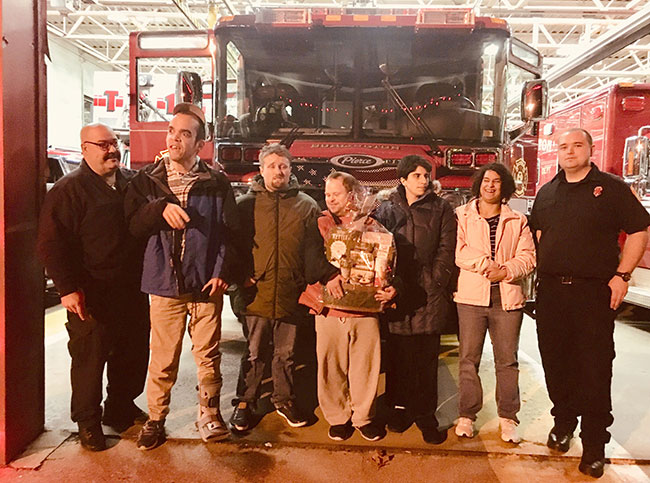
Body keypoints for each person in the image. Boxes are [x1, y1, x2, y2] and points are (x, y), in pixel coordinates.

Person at [530, 128, 650, 478]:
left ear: (590, 148)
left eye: (576, 145)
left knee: (595, 369)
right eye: (563, 147)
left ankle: (595, 444)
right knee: (556, 364)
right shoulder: (547, 191)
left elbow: (640, 231)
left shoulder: (611, 188)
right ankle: (564, 422)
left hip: (592, 294)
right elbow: (539, 234)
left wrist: (622, 275)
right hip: (551, 293)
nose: (569, 151)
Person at [124, 103, 239, 450]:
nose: (174, 138)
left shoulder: (216, 183)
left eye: (184, 134)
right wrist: (158, 208)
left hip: (205, 285)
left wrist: (222, 273)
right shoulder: (147, 181)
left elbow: (230, 234)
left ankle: (209, 414)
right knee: (163, 357)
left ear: (199, 144)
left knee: (208, 355)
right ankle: (156, 419)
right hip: (164, 285)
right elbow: (132, 226)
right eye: (172, 131)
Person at [37, 123, 150, 451]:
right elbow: (51, 243)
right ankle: (88, 421)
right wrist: (68, 288)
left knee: (132, 352)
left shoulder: (131, 182)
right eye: (102, 145)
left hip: (131, 289)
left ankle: (120, 406)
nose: (112, 150)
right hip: (91, 293)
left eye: (114, 143)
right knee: (89, 359)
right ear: (85, 149)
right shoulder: (68, 190)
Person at [230, 143, 337, 432]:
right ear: (262, 169)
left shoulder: (306, 205)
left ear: (291, 170)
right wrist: (240, 277)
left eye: (284, 166)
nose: (279, 171)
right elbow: (233, 247)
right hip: (256, 293)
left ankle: (284, 400)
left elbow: (314, 250)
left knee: (286, 353)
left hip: (291, 292)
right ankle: (245, 402)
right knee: (254, 352)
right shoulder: (245, 205)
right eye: (273, 165)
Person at [373, 154, 457, 444]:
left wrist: (434, 283)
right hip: (395, 291)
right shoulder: (386, 208)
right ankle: (398, 409)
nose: (423, 181)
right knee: (397, 356)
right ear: (403, 179)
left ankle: (424, 414)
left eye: (426, 175)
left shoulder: (442, 208)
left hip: (427, 292)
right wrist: (385, 283)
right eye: (417, 176)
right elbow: (375, 246)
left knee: (425, 358)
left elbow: (447, 249)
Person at [299, 172, 388, 442]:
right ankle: (338, 418)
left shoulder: (372, 225)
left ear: (351, 195)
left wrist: (387, 283)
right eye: (327, 194)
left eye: (335, 194)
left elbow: (385, 260)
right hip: (329, 309)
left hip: (364, 310)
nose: (329, 199)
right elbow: (309, 258)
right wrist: (330, 275)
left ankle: (363, 417)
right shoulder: (318, 223)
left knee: (365, 367)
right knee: (330, 367)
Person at [453, 163, 536, 443]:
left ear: (505, 187)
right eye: (486, 180)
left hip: (507, 298)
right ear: (478, 184)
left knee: (507, 361)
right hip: (471, 298)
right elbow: (459, 252)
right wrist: (486, 265)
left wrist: (507, 271)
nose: (490, 185)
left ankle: (508, 417)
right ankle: (466, 414)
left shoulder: (518, 220)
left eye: (497, 181)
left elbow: (529, 256)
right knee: (468, 359)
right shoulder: (461, 216)